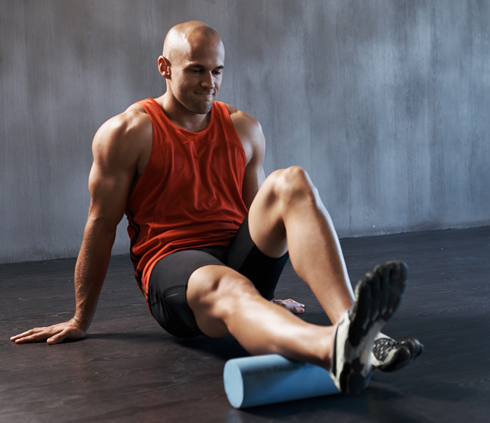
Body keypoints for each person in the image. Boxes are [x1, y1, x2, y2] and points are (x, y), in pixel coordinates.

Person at [11, 21, 422, 394]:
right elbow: (100, 225)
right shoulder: (128, 132)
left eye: (217, 71)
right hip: (177, 271)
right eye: (196, 70)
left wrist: (266, 300)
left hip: (236, 262)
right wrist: (80, 319)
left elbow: (260, 219)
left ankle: (357, 328)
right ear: (165, 67)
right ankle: (333, 348)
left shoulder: (244, 128)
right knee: (228, 284)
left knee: (291, 181)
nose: (210, 83)